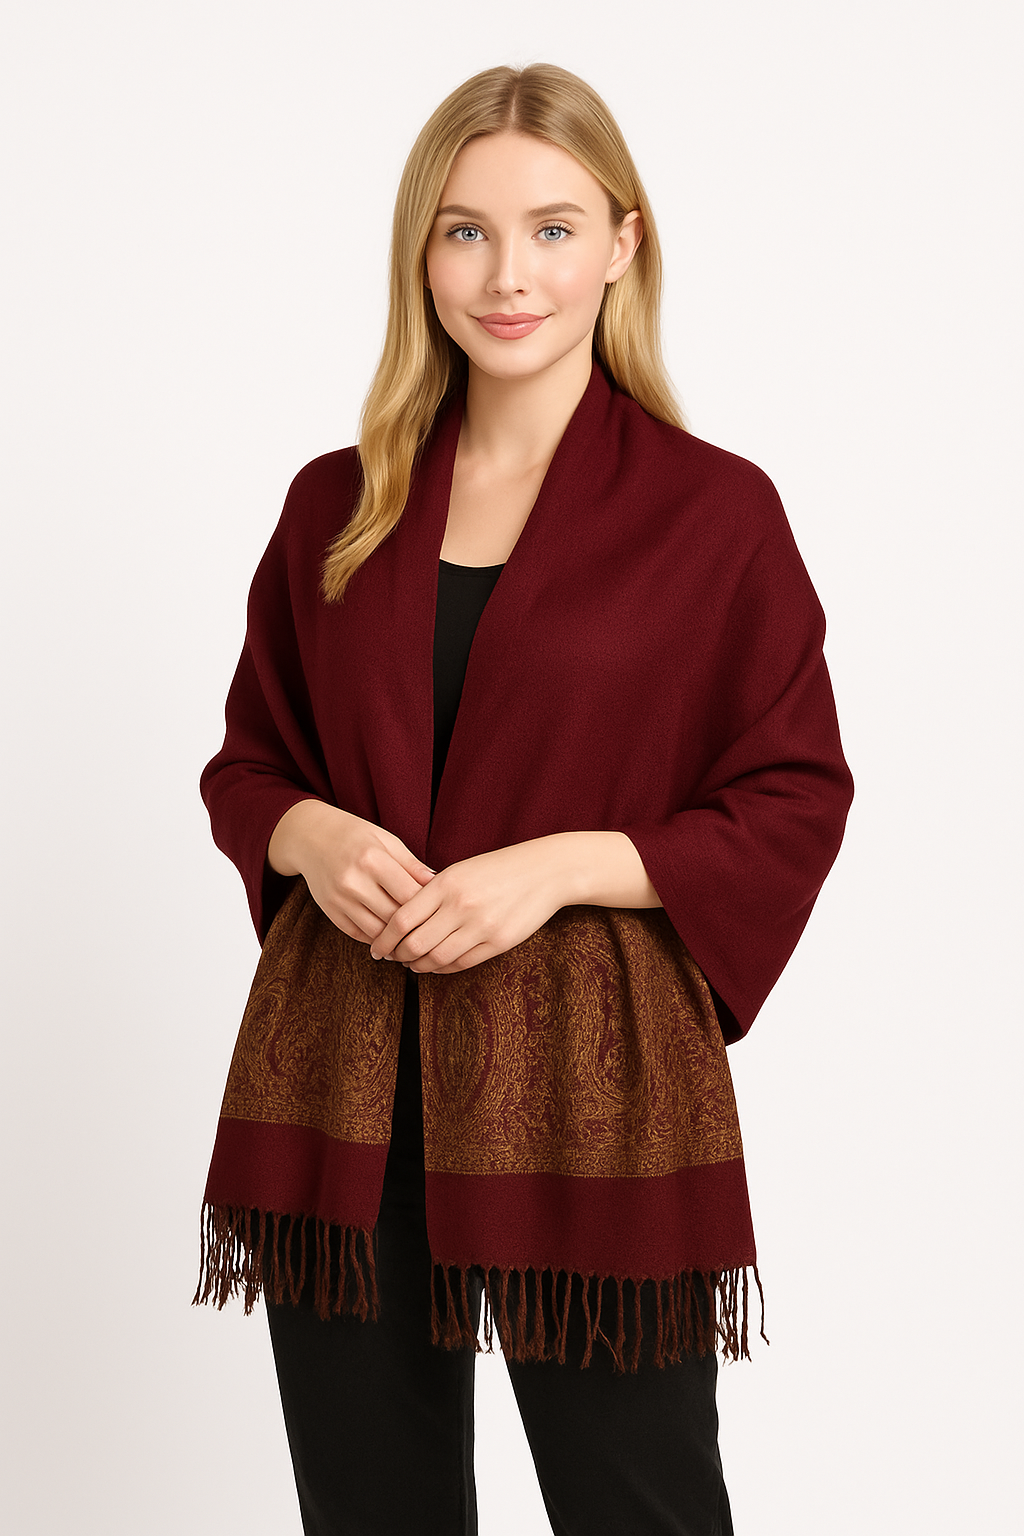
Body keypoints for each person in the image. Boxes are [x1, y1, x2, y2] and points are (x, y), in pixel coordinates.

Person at [195, 62, 853, 1536]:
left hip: (593, 1081)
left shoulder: (713, 513)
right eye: (467, 232)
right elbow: (250, 761)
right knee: (367, 1511)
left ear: (623, 242)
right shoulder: (334, 502)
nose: (509, 276)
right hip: (343, 1070)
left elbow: (795, 790)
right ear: (420, 254)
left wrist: (560, 866)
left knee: (641, 1505)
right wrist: (309, 833)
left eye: (553, 229)